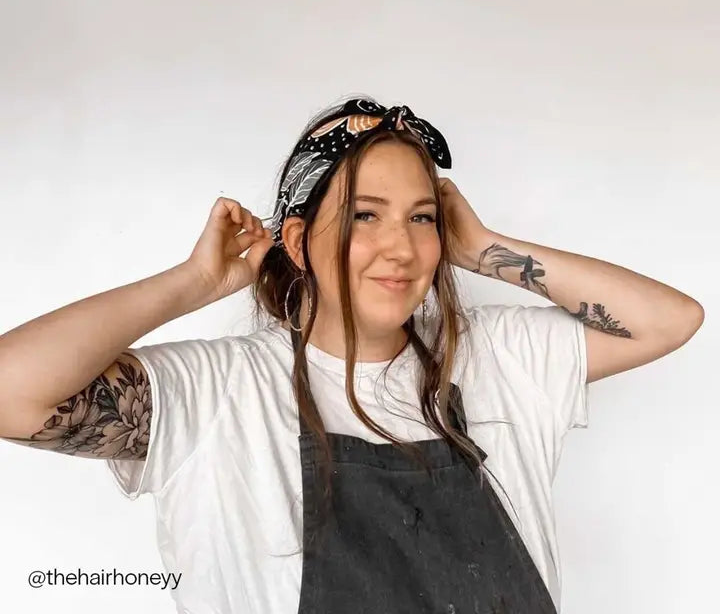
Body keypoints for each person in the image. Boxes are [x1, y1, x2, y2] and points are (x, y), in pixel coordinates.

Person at [0, 96, 703, 613]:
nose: (402, 247)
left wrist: (482, 247)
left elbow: (670, 321)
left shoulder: (496, 358)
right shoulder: (219, 391)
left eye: (421, 218)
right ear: (298, 241)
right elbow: (11, 392)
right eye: (366, 215)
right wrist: (194, 284)